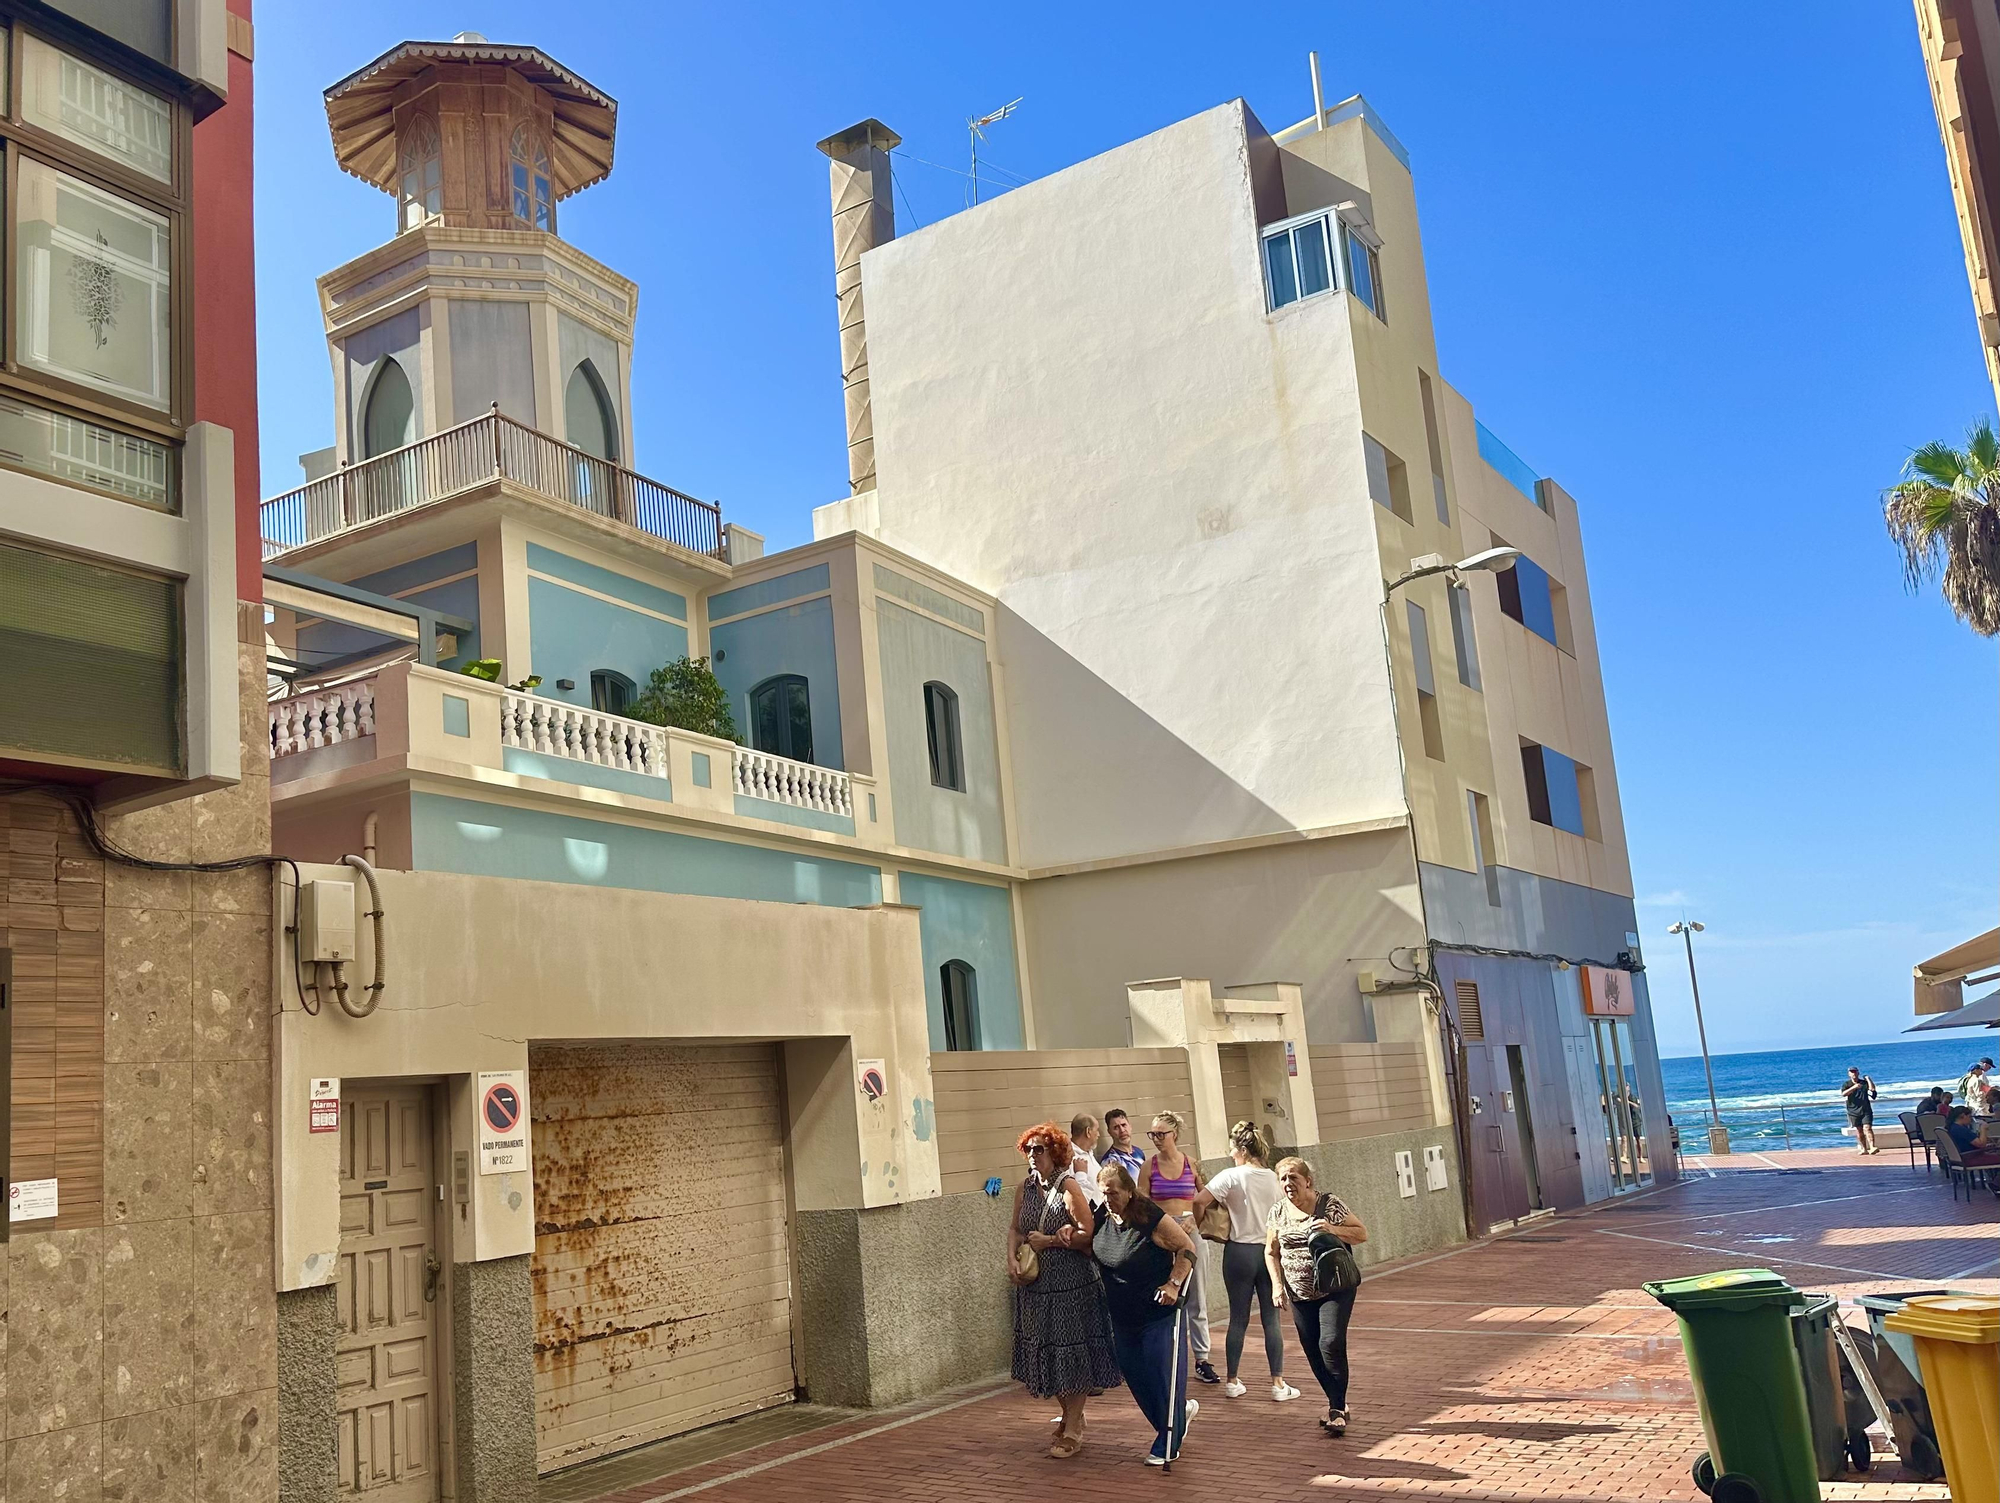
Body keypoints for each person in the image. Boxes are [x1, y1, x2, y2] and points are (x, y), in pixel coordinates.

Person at [1008, 1121, 1121, 1458]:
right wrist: (1010, 1260)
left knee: (1073, 1355)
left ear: (1054, 1152)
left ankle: (1072, 1427)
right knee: (1047, 1353)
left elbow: (1089, 1233)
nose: (1032, 1155)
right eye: (1028, 1149)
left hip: (1072, 1286)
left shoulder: (1068, 1186)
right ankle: (1074, 1415)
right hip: (1036, 1287)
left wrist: (1053, 1241)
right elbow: (1015, 1228)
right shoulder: (1025, 1188)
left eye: (1039, 1149)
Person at [1093, 1162, 1203, 1465]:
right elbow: (1086, 1242)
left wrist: (1173, 1284)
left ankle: (1168, 1442)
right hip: (1122, 1314)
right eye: (1103, 1193)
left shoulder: (1149, 1216)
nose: (1108, 1199)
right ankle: (1176, 1419)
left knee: (1161, 1375)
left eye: (1113, 1193)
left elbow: (1187, 1248)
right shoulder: (1102, 1216)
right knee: (1135, 1376)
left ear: (1129, 1191)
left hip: (1159, 1313)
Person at [1193, 1120, 1299, 1402]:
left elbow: (1199, 1200)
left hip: (1237, 1251)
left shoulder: (1230, 1176)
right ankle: (1277, 1383)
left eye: (1232, 1149)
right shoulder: (1275, 1179)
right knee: (1271, 1318)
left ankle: (1232, 1380)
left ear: (1241, 1149)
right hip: (1268, 1251)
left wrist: (1203, 1224)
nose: (1230, 1154)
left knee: (1237, 1318)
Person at [1266, 1156, 1367, 1437]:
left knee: (1330, 1341)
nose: (1288, 1184)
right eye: (1283, 1179)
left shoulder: (1328, 1204)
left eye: (1293, 1178)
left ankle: (1336, 1408)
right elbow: (1271, 1251)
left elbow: (1361, 1233)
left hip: (1335, 1287)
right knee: (1312, 1350)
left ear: (1307, 1181)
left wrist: (1331, 1229)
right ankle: (1338, 1402)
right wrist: (1277, 1286)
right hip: (1299, 1293)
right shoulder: (1277, 1212)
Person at [1142, 1110, 1221, 1385]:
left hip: (1190, 1231)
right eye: (1152, 1134)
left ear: (1174, 1134)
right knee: (1164, 1293)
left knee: (1196, 1296)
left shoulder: (1191, 1163)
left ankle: (1202, 1358)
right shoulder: (1148, 1165)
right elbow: (1142, 1203)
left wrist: (1192, 1218)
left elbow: (1208, 1198)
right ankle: (1164, 1356)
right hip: (1162, 1233)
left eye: (1161, 1134)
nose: (1156, 1139)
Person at [1070, 1113, 1107, 1210]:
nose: (1098, 1134)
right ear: (1088, 1131)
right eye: (1097, 1130)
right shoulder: (1070, 1157)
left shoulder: (1088, 1153)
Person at [1841, 1066, 1879, 1155]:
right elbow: (1844, 1094)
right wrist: (1854, 1087)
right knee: (1859, 1130)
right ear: (1849, 1074)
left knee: (1867, 1128)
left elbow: (1872, 1090)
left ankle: (1872, 1147)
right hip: (1853, 1111)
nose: (1853, 1073)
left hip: (1866, 1110)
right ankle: (1864, 1148)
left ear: (1858, 1073)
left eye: (1855, 1072)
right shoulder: (1847, 1084)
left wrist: (1868, 1079)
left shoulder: (1864, 1083)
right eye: (1851, 1072)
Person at [1101, 1108, 1146, 1180]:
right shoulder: (1110, 1161)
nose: (1122, 1130)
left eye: (1124, 1125)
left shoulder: (1138, 1152)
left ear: (1130, 1126)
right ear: (1109, 1132)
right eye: (1116, 1127)